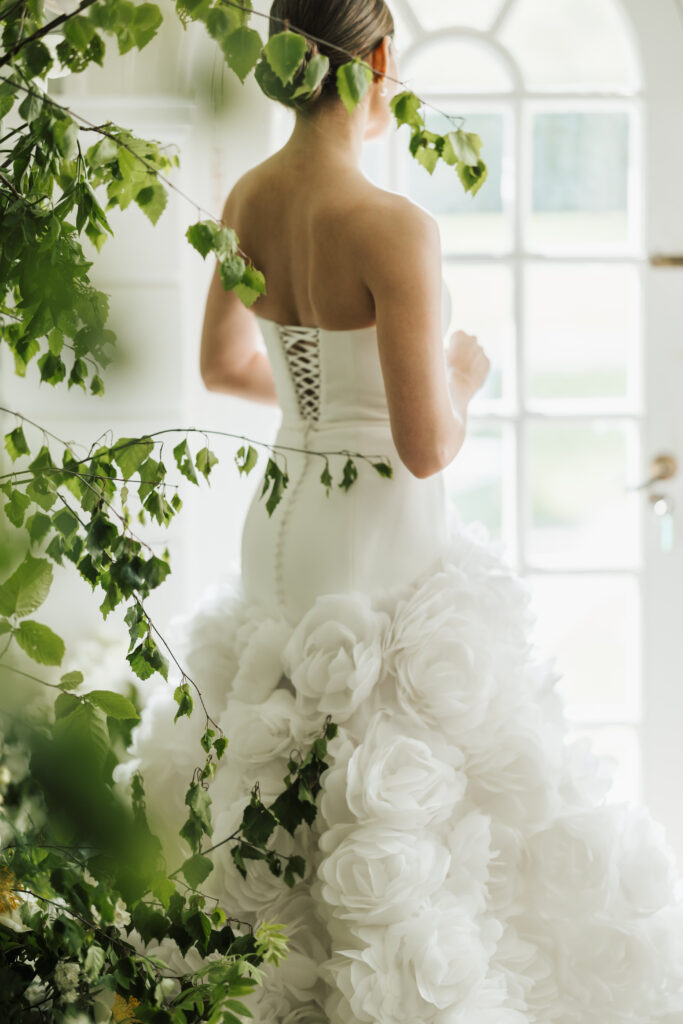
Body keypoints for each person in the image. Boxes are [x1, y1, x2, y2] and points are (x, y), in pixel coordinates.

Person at [114, 1, 683, 1021]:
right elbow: (426, 445)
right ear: (376, 62)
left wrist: (320, 406)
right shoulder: (391, 225)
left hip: (280, 516)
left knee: (277, 741)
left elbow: (221, 364)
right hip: (379, 523)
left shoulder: (243, 196)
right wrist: (457, 376)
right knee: (399, 755)